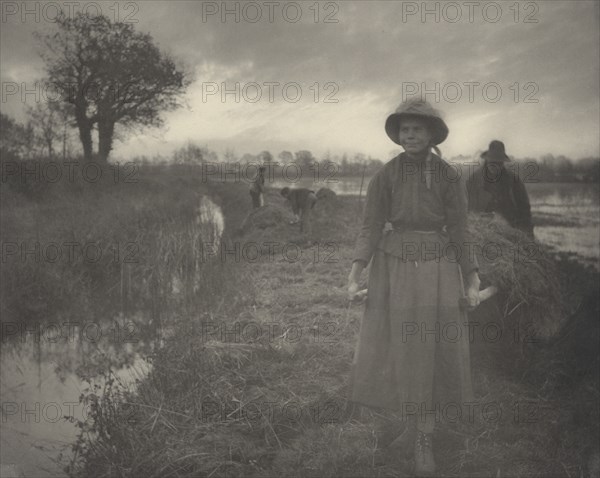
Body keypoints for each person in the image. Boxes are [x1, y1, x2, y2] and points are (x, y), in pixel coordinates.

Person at [347, 98, 480, 475]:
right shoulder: (384, 175)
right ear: (397, 135)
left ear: (432, 134)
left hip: (437, 268)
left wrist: (472, 278)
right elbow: (370, 226)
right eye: (405, 130)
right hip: (393, 269)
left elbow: (459, 229)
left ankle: (425, 437)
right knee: (398, 348)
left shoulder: (449, 177)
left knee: (431, 349)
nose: (410, 136)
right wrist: (355, 272)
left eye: (417, 130)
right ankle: (410, 425)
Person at [466, 140, 534, 237]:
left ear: (503, 162)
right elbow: (466, 208)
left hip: (510, 232)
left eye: (499, 163)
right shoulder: (473, 180)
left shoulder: (514, 180)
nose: (495, 166)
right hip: (481, 233)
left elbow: (524, 210)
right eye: (492, 162)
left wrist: (528, 235)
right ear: (486, 160)